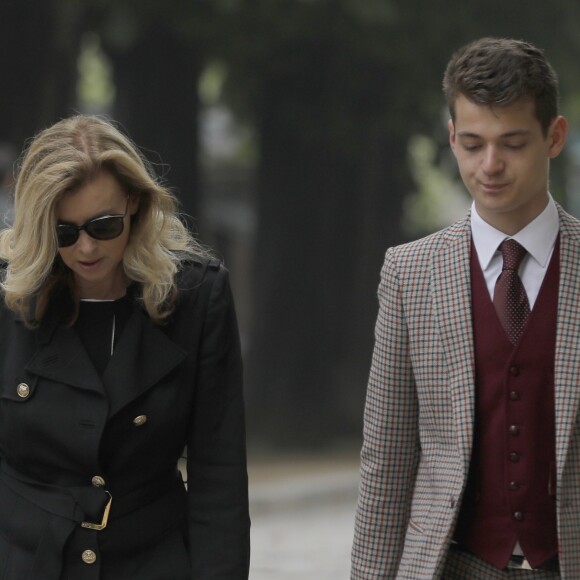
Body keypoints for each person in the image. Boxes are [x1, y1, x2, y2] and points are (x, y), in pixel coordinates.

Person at [351, 37, 579, 578]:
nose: (490, 165)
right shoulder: (410, 274)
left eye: (513, 143)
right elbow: (387, 461)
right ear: (451, 139)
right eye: (473, 144)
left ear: (554, 137)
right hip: (452, 566)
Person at [0, 115, 250, 579]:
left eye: (104, 225)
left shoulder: (197, 298)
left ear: (134, 203)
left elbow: (220, 475)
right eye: (64, 233)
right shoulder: (8, 295)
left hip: (151, 560)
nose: (86, 248)